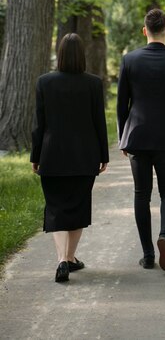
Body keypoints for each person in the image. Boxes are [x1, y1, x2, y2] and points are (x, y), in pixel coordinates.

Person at [117, 8, 165, 272]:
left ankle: (148, 254)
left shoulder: (129, 59)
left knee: (141, 194)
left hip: (137, 135)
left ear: (144, 30)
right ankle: (164, 234)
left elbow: (121, 104)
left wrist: (121, 137)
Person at [31, 33, 109, 283]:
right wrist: (104, 155)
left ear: (60, 53)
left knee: (55, 209)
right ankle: (69, 258)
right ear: (82, 56)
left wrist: (35, 155)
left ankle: (63, 260)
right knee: (77, 206)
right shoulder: (94, 84)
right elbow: (99, 123)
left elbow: (39, 125)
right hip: (84, 157)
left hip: (52, 155)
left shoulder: (44, 82)